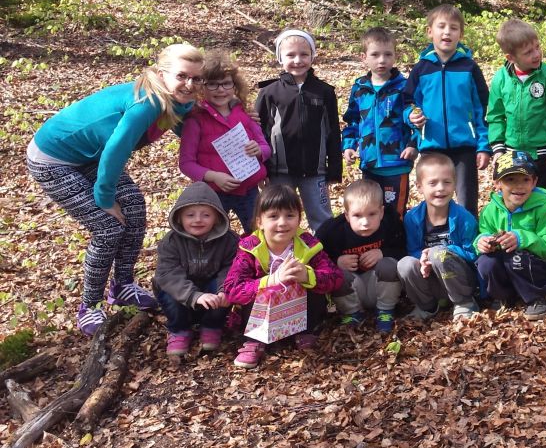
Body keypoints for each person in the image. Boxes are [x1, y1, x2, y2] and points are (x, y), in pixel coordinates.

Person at [28, 43, 205, 335]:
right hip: (53, 158)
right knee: (108, 227)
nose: (190, 84)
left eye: (196, 78)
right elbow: (116, 150)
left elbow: (187, 129)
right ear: (162, 74)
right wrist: (105, 198)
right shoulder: (146, 102)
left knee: (134, 208)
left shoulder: (178, 100)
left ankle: (122, 286)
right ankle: (90, 306)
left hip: (89, 155)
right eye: (182, 76)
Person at [223, 184, 343, 369]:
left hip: (300, 316)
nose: (282, 222)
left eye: (289, 215)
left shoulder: (308, 245)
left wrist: (307, 275)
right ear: (260, 222)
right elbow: (232, 289)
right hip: (259, 320)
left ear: (299, 219)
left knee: (311, 283)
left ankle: (304, 331)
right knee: (256, 290)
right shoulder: (250, 248)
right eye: (273, 216)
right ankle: (254, 341)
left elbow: (335, 277)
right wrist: (270, 280)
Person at [401, 5, 492, 216]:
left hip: (464, 147)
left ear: (461, 34)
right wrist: (411, 117)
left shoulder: (469, 67)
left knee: (467, 200)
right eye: (441, 26)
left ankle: (468, 235)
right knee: (435, 198)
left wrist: (483, 146)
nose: (447, 32)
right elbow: (408, 102)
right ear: (429, 31)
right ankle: (434, 233)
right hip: (431, 146)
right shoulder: (421, 69)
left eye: (453, 28)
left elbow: (482, 109)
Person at [256, 29, 341, 231]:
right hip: (279, 171)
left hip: (315, 171)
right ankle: (280, 250)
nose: (298, 60)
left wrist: (335, 168)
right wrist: (261, 168)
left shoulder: (324, 91)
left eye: (304, 54)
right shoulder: (269, 92)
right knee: (279, 216)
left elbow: (333, 131)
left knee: (322, 219)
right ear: (280, 58)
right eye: (290, 55)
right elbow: (258, 132)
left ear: (312, 56)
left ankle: (324, 250)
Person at [179, 51, 270, 233]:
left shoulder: (245, 113)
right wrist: (214, 176)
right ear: (201, 87)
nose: (220, 90)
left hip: (248, 190)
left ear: (234, 85)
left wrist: (259, 150)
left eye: (226, 83)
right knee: (214, 236)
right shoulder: (195, 120)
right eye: (212, 84)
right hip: (214, 193)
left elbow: (266, 147)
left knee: (258, 234)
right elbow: (186, 164)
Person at [474, 151, 546, 320]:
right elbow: (484, 231)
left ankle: (540, 296)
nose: (519, 186)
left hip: (539, 266)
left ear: (534, 182)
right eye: (510, 180)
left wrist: (522, 238)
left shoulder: (544, 209)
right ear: (497, 183)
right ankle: (504, 296)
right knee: (485, 262)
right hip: (508, 265)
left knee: (515, 258)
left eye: (525, 179)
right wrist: (482, 241)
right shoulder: (490, 210)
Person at [153, 182, 238, 359]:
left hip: (211, 288)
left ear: (217, 217)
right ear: (179, 218)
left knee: (228, 289)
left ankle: (212, 325)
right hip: (183, 292)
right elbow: (167, 274)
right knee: (165, 288)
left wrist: (224, 290)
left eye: (206, 215)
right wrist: (194, 296)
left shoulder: (229, 240)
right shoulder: (171, 242)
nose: (198, 220)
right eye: (190, 215)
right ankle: (179, 329)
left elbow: (232, 268)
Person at [485, 18, 546, 193]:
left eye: (537, 47)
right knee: (514, 196)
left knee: (542, 198)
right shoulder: (501, 78)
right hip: (511, 153)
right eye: (528, 52)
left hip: (543, 154)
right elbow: (495, 116)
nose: (536, 54)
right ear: (511, 57)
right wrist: (498, 147)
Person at [342, 27, 417, 214]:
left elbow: (415, 118)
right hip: (369, 165)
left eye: (387, 54)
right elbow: (352, 120)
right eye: (375, 55)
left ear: (395, 56)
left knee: (395, 215)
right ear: (364, 57)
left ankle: (397, 235)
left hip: (397, 164)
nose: (382, 60)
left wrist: (413, 145)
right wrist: (349, 145)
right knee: (371, 211)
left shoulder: (404, 87)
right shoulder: (360, 88)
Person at [399, 153, 482, 321]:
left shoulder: (464, 218)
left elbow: (474, 254)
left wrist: (442, 251)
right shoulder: (412, 218)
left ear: (455, 184)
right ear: (419, 186)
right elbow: (413, 249)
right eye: (433, 183)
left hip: (460, 279)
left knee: (438, 253)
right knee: (404, 264)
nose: (440, 188)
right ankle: (427, 305)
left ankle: (465, 303)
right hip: (430, 277)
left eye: (447, 182)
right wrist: (423, 259)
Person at [317, 180, 406, 333]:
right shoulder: (332, 232)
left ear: (381, 212)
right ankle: (352, 314)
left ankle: (386, 311)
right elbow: (317, 260)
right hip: (352, 289)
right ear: (347, 215)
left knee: (389, 264)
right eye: (357, 215)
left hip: (379, 285)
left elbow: (405, 251)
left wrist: (383, 253)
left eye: (372, 214)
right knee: (337, 274)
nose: (365, 222)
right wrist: (336, 261)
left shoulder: (391, 224)